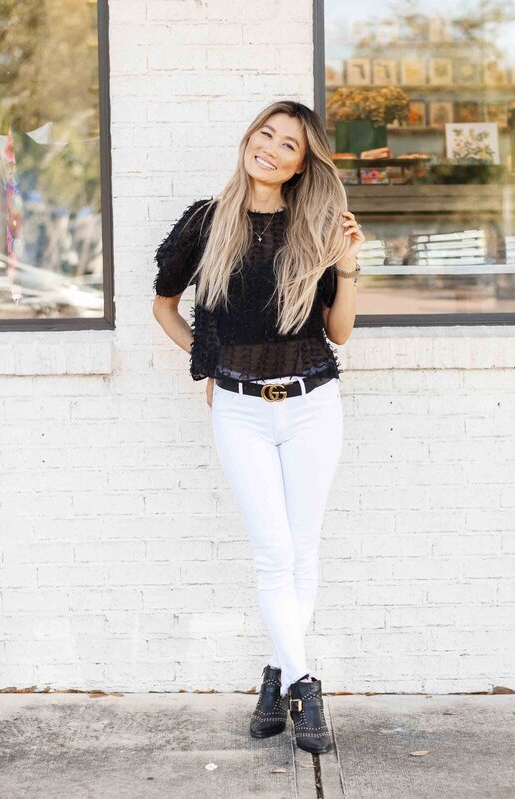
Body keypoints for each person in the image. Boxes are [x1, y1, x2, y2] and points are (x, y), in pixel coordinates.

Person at [151, 100, 364, 755]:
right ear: (249, 139)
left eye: (288, 144)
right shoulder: (207, 222)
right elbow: (163, 305)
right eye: (265, 134)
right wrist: (207, 361)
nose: (269, 148)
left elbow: (338, 332)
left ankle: (277, 675)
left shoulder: (316, 227)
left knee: (302, 549)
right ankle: (306, 684)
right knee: (274, 552)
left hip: (312, 402)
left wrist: (349, 264)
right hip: (240, 408)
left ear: (303, 164)